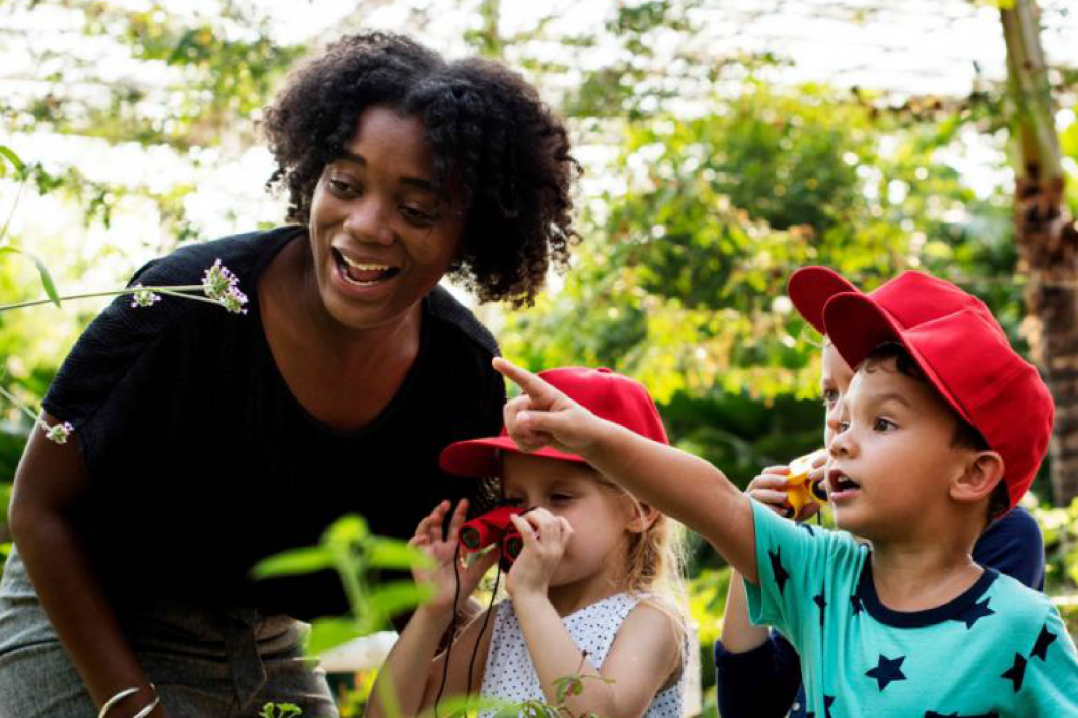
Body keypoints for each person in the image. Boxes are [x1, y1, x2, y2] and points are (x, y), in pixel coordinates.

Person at [0, 32, 579, 718]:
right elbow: (38, 509)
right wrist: (133, 707)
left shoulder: (459, 372)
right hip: (87, 623)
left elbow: (432, 597)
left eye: (418, 210)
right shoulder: (184, 304)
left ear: (471, 231)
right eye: (345, 184)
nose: (366, 225)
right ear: (313, 176)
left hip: (269, 644)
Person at [489, 272, 1078, 716]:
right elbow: (711, 497)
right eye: (839, 412)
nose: (842, 438)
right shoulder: (822, 570)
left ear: (972, 476)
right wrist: (588, 434)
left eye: (883, 424)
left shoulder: (1022, 625)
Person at [715, 268, 1047, 718]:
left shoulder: (1005, 540)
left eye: (880, 414)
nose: (838, 421)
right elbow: (750, 706)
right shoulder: (831, 556)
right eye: (832, 397)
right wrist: (753, 546)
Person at [366, 367, 689, 718]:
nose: (527, 519)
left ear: (640, 510)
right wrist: (434, 612)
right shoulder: (501, 625)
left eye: (561, 496)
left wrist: (532, 599)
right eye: (514, 501)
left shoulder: (649, 622)